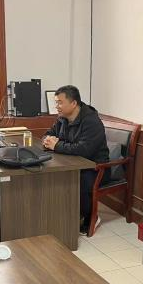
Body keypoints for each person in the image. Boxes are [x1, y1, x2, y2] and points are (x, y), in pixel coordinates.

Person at [43, 85, 109, 234]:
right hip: (73, 163)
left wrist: (57, 145)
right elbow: (48, 133)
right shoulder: (62, 118)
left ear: (73, 103)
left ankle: (90, 217)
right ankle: (63, 214)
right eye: (56, 102)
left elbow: (84, 150)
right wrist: (47, 140)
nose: (57, 106)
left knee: (78, 180)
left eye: (60, 102)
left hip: (96, 168)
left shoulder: (91, 121)